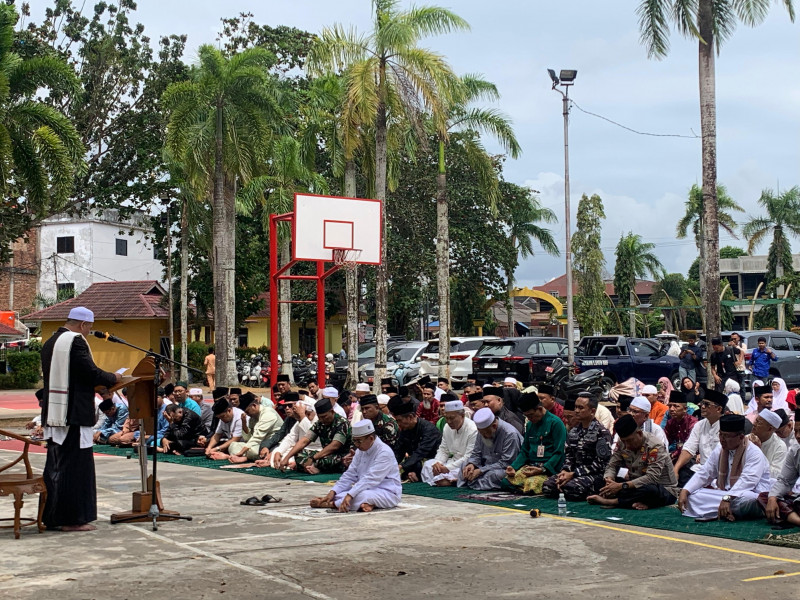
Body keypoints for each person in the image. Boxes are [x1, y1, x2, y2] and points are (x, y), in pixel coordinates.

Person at [40, 306, 121, 531]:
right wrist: (114, 377)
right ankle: (71, 519)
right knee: (74, 467)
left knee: (57, 466)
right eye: (89, 328)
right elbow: (90, 372)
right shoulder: (75, 341)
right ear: (83, 325)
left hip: (57, 413)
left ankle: (53, 516)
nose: (88, 332)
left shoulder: (51, 341)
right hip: (72, 414)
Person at [679, 414, 770, 521]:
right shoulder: (720, 449)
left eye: (726, 436)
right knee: (693, 496)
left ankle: (724, 509)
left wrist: (728, 498)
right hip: (724, 494)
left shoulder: (754, 453)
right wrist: (686, 490)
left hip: (750, 493)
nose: (721, 439)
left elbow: (748, 481)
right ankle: (725, 511)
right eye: (720, 435)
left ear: (740, 437)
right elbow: (705, 472)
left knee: (748, 500)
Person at [587, 414, 679, 510]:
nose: (627, 445)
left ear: (639, 433)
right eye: (624, 441)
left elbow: (652, 478)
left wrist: (621, 486)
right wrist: (609, 481)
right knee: (599, 481)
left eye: (629, 441)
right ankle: (631, 501)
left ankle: (613, 501)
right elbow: (612, 465)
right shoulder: (622, 443)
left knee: (649, 490)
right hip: (633, 485)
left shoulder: (654, 446)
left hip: (662, 489)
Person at [309, 420, 402, 512]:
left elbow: (371, 479)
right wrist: (332, 492)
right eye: (355, 441)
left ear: (371, 439)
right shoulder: (360, 451)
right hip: (366, 488)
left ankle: (330, 504)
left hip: (387, 493)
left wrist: (350, 495)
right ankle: (367, 504)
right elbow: (350, 474)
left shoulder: (384, 452)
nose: (356, 445)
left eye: (359, 441)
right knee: (342, 494)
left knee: (362, 495)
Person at [542, 392, 613, 501]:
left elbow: (601, 464)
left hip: (594, 474)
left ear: (592, 411)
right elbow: (569, 456)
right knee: (548, 486)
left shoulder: (601, 432)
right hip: (573, 473)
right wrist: (565, 471)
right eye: (576, 407)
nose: (576, 411)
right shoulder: (574, 431)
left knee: (573, 489)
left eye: (581, 408)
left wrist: (574, 474)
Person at [504, 392, 567, 494]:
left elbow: (559, 452)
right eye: (526, 416)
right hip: (531, 466)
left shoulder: (555, 423)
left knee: (532, 484)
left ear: (540, 408)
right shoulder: (530, 425)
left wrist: (543, 469)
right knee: (506, 482)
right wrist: (513, 467)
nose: (529, 418)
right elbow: (525, 450)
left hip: (547, 468)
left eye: (531, 415)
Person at [280, 398, 352, 474]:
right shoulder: (320, 423)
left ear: (332, 412)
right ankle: (311, 468)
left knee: (329, 460)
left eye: (324, 417)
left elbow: (334, 446)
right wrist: (286, 458)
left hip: (341, 456)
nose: (322, 420)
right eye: (320, 417)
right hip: (323, 454)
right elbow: (305, 440)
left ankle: (314, 468)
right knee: (299, 454)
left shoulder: (342, 423)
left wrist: (313, 458)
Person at [458, 407, 522, 491]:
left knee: (496, 475)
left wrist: (481, 471)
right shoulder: (482, 432)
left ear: (494, 426)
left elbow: (506, 463)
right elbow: (476, 453)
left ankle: (472, 483)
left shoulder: (510, 434)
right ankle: (471, 483)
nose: (483, 436)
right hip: (485, 467)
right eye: (481, 433)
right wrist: (472, 464)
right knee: (464, 465)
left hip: (502, 469)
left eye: (485, 433)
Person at [673, 389, 727, 486]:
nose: (702, 406)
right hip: (702, 469)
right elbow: (689, 448)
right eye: (702, 403)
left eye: (706, 404)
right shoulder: (700, 425)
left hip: (720, 472)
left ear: (718, 409)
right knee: (682, 476)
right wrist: (676, 469)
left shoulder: (726, 428)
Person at [421, 400, 478, 486]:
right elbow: (443, 449)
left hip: (463, 465)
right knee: (428, 465)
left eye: (452, 418)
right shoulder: (447, 427)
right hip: (451, 462)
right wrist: (438, 463)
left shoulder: (472, 429)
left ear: (462, 415)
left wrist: (447, 468)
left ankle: (447, 480)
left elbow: (468, 457)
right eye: (446, 418)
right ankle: (444, 480)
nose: (448, 421)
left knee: (464, 472)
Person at [758, 410, 800, 527]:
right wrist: (772, 498)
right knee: (764, 497)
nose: (798, 436)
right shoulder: (795, 451)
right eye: (796, 431)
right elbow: (784, 480)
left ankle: (791, 518)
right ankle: (797, 521)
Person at [388, 396, 442, 482]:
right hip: (414, 463)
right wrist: (390, 465)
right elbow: (399, 451)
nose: (398, 424)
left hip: (432, 463)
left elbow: (421, 452)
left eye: (399, 421)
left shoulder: (429, 429)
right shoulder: (405, 430)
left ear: (410, 417)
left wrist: (401, 466)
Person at [260, 396, 319, 469]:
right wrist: (279, 452)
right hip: (300, 449)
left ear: (307, 413)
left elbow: (312, 436)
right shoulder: (299, 420)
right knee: (276, 453)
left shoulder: (317, 420)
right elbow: (290, 438)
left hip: (315, 451)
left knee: (297, 457)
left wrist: (302, 416)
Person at [227, 392, 282, 463]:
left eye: (247, 411)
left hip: (271, 445)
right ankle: (245, 457)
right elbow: (248, 438)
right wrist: (243, 423)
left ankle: (244, 457)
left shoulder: (268, 413)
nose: (247, 414)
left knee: (253, 451)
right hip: (257, 445)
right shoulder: (252, 417)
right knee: (233, 445)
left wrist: (241, 452)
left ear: (254, 405)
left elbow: (257, 437)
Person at [748, 409, 787, 479]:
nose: (754, 424)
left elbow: (776, 474)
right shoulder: (746, 439)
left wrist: (757, 451)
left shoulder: (780, 446)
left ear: (769, 429)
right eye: (756, 420)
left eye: (758, 422)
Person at [663, 390, 698, 466]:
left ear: (685, 409)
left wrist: (672, 455)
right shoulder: (671, 422)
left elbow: (688, 446)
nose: (671, 409)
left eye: (676, 406)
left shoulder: (693, 423)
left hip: (692, 456)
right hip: (675, 456)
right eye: (670, 406)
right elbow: (664, 440)